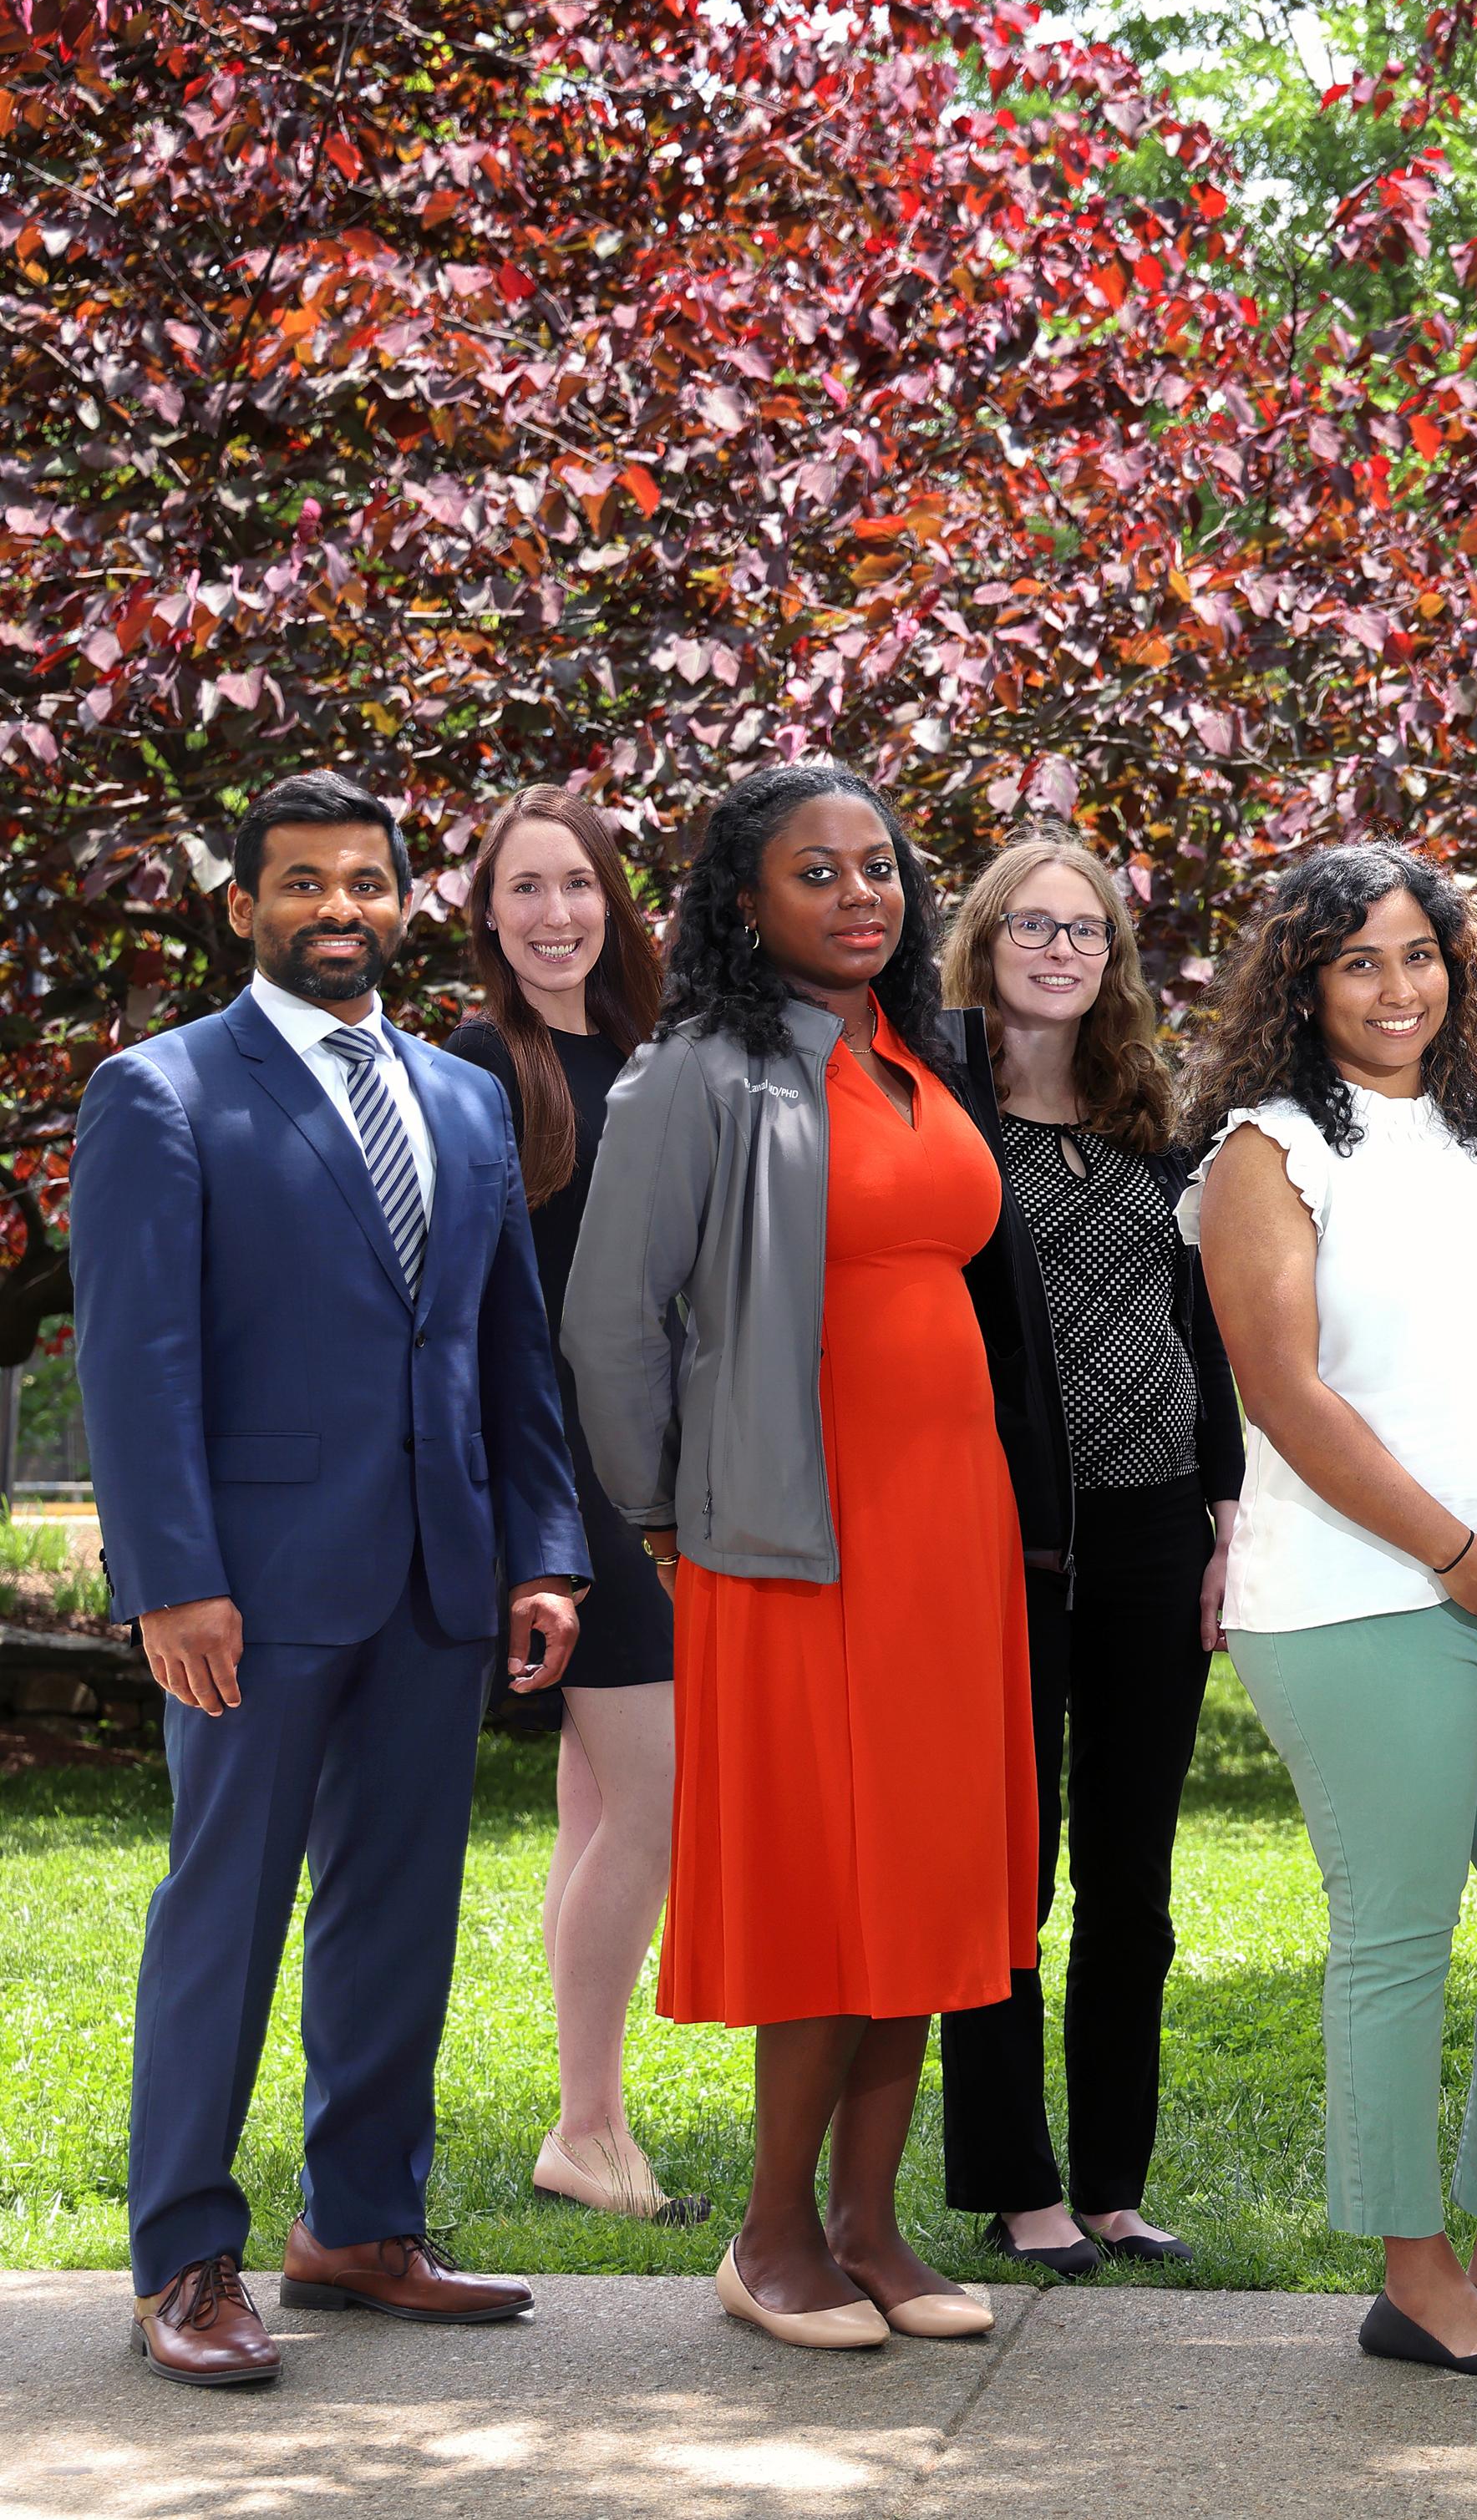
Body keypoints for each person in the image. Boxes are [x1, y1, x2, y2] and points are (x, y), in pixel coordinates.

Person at [79, 769, 588, 2386]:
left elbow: (511, 1350)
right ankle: (187, 2261)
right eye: (300, 885)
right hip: (253, 1589)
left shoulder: (459, 1097)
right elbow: (135, 1363)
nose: (337, 910)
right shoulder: (159, 1093)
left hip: (440, 1578)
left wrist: (545, 1553)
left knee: (398, 1913)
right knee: (220, 1916)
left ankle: (362, 2227)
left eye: (363, 882)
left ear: (399, 899)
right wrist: (171, 1581)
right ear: (243, 910)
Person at [564, 763, 1038, 2352]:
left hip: (945, 1523)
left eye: (880, 868)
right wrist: (657, 1516)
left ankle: (869, 2226)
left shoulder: (914, 1056)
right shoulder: (698, 1071)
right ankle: (770, 2238)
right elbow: (612, 1319)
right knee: (828, 1876)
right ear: (742, 902)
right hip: (792, 1528)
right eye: (815, 873)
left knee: (918, 1864)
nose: (860, 896)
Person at [1183, 844, 1477, 2381]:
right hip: (1358, 1596)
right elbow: (1288, 1396)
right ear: (1303, 987)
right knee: (1396, 1934)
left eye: (1420, 956)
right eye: (1359, 963)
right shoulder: (1267, 1150)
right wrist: (1455, 1549)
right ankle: (1416, 2274)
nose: (1398, 990)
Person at [931, 829, 1248, 2276]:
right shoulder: (942, 1121)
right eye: (1030, 928)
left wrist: (1228, 1511)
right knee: (1013, 1868)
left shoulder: (1150, 1118)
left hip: (1159, 1523)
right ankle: (1016, 2181)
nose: (1060, 950)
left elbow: (1205, 1327)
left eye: (1085, 931)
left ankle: (1115, 2181)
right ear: (985, 947)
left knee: (1134, 1871)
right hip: (1011, 1536)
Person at [447, 785, 700, 2228]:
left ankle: (580, 2108)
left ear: (615, 900)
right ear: (487, 914)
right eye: (525, 890)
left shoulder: (661, 1056)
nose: (555, 915)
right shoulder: (481, 1068)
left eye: (578, 886)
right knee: (659, 1803)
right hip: (566, 1477)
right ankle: (590, 2124)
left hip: (665, 1462)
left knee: (599, 1800)